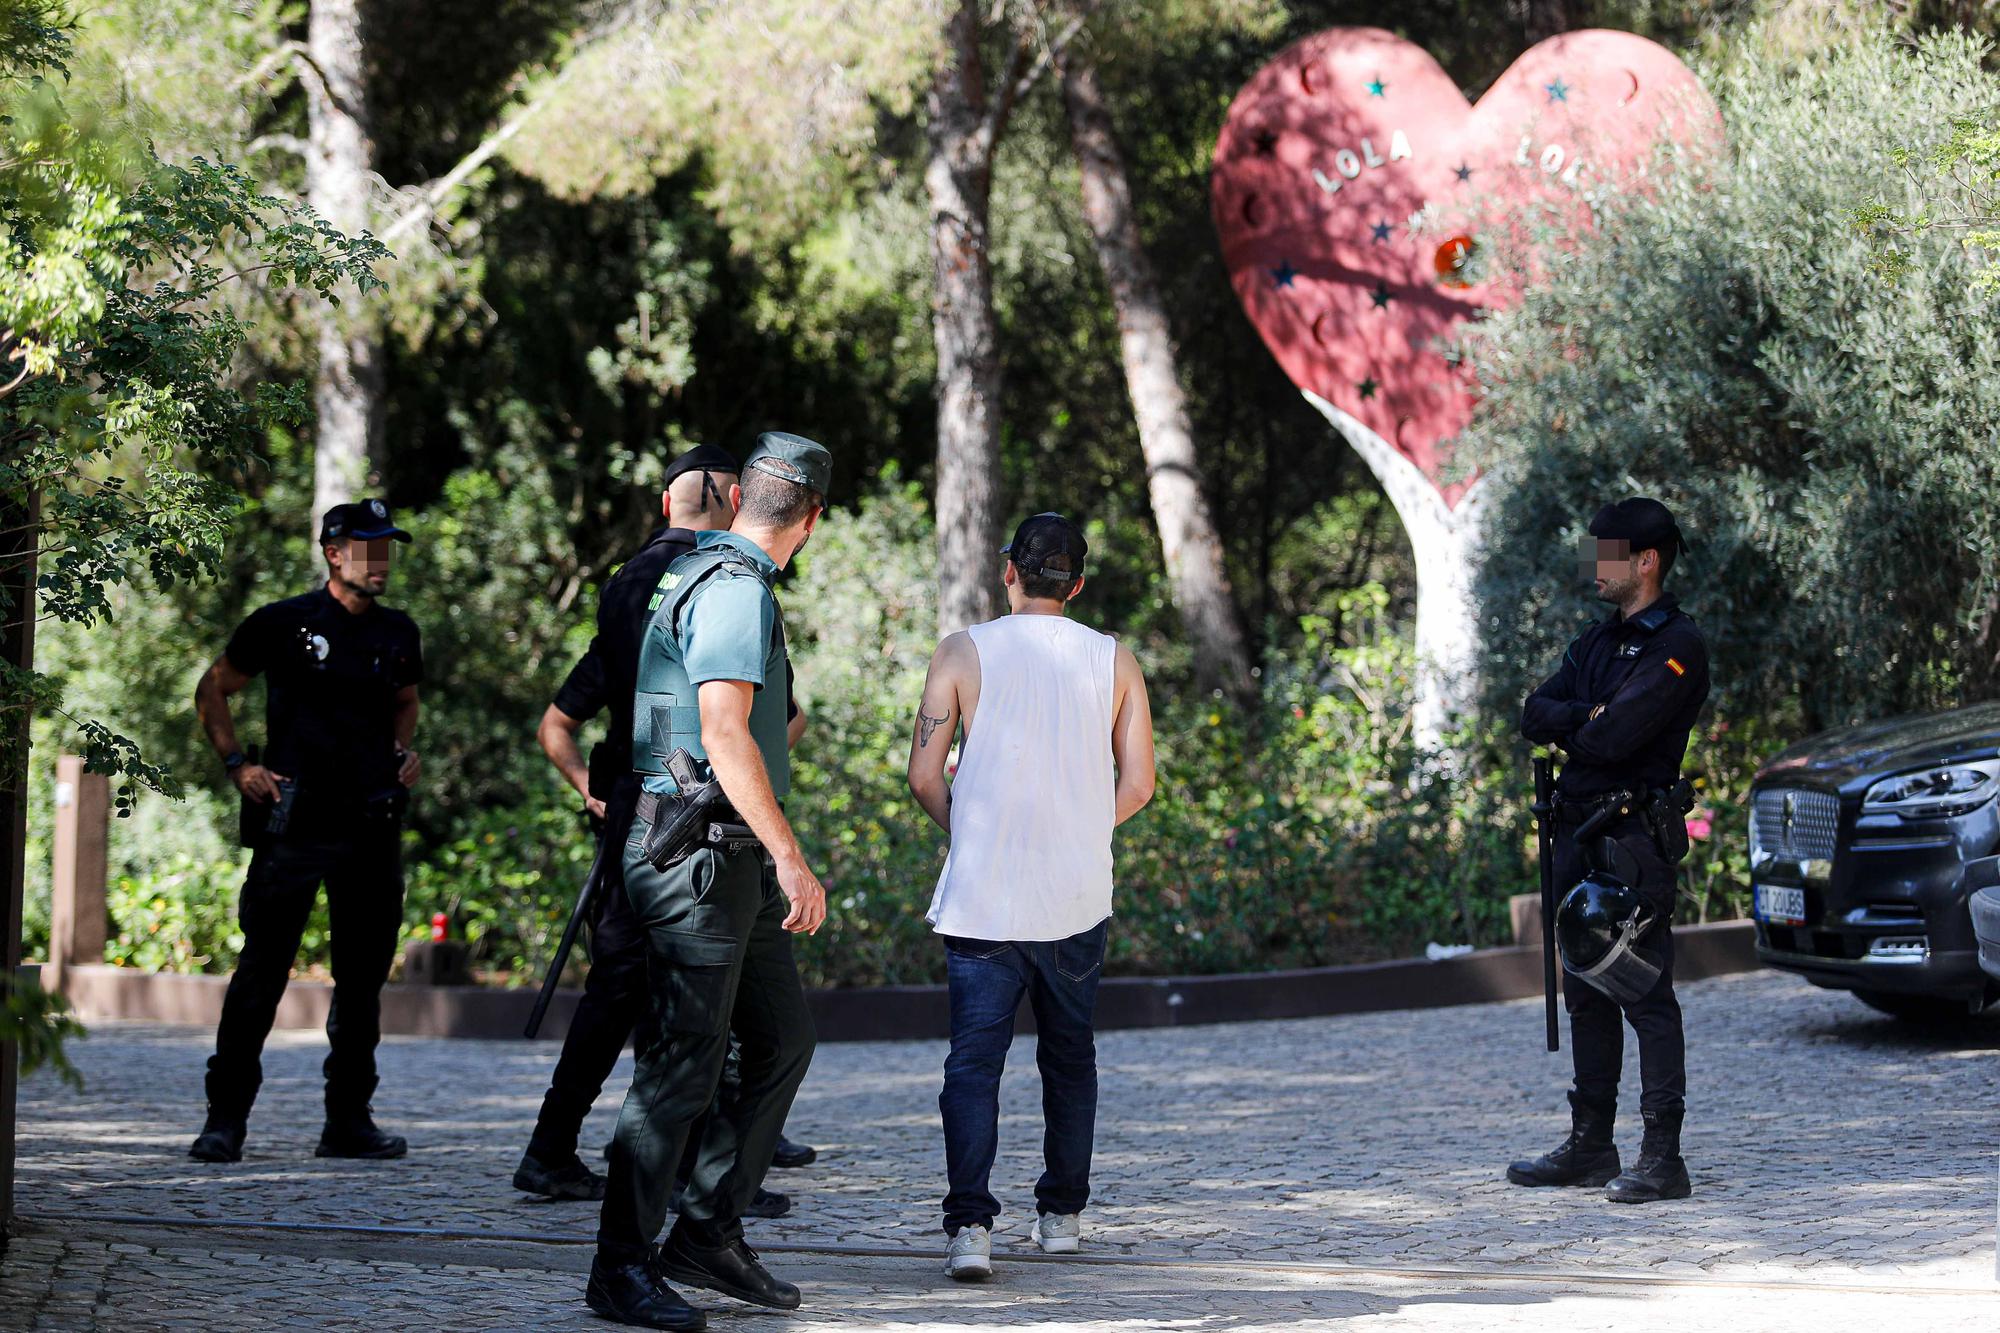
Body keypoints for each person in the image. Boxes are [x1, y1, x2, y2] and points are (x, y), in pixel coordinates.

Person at [518, 444, 815, 1208]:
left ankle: (692, 1207)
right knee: (683, 1042)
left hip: (647, 813)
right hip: (694, 833)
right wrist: (784, 844)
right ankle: (649, 1224)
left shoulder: (639, 584)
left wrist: (606, 789)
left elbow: (575, 718)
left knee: (658, 1010)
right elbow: (739, 728)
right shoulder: (728, 587)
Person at [587, 432, 831, 1331]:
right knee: (680, 1067)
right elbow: (724, 734)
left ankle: (704, 1230)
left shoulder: (706, 572)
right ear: (812, 518)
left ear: (737, 500)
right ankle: (620, 1267)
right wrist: (790, 855)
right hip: (700, 857)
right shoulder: (732, 591)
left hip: (721, 859)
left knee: (780, 1039)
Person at [905, 512, 1156, 1282]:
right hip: (1075, 894)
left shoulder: (961, 652)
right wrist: (1080, 828)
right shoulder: (1115, 659)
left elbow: (923, 774)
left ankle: (970, 1228)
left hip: (984, 895)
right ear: (1076, 583)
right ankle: (1062, 1216)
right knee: (1069, 1058)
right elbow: (1139, 783)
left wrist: (973, 829)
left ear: (1007, 569)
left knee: (973, 1065)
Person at [188, 500, 423, 1164]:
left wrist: (404, 753)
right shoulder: (283, 623)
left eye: (388, 548)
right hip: (295, 824)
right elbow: (215, 687)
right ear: (334, 552)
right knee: (261, 971)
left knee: (362, 980)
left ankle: (347, 1120)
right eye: (369, 547)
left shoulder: (399, 633)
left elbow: (406, 700)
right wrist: (239, 765)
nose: (381, 561)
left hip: (372, 825)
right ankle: (225, 1119)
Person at [1510, 497, 1710, 1204]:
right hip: (1576, 830)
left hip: (1632, 838)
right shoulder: (1596, 642)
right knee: (1585, 990)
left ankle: (1663, 1156)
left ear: (1646, 561)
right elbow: (1536, 709)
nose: (1595, 566)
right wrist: (1582, 715)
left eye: (1607, 553)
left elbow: (1613, 738)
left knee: (1644, 991)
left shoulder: (1676, 645)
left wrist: (1586, 722)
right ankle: (1591, 1144)